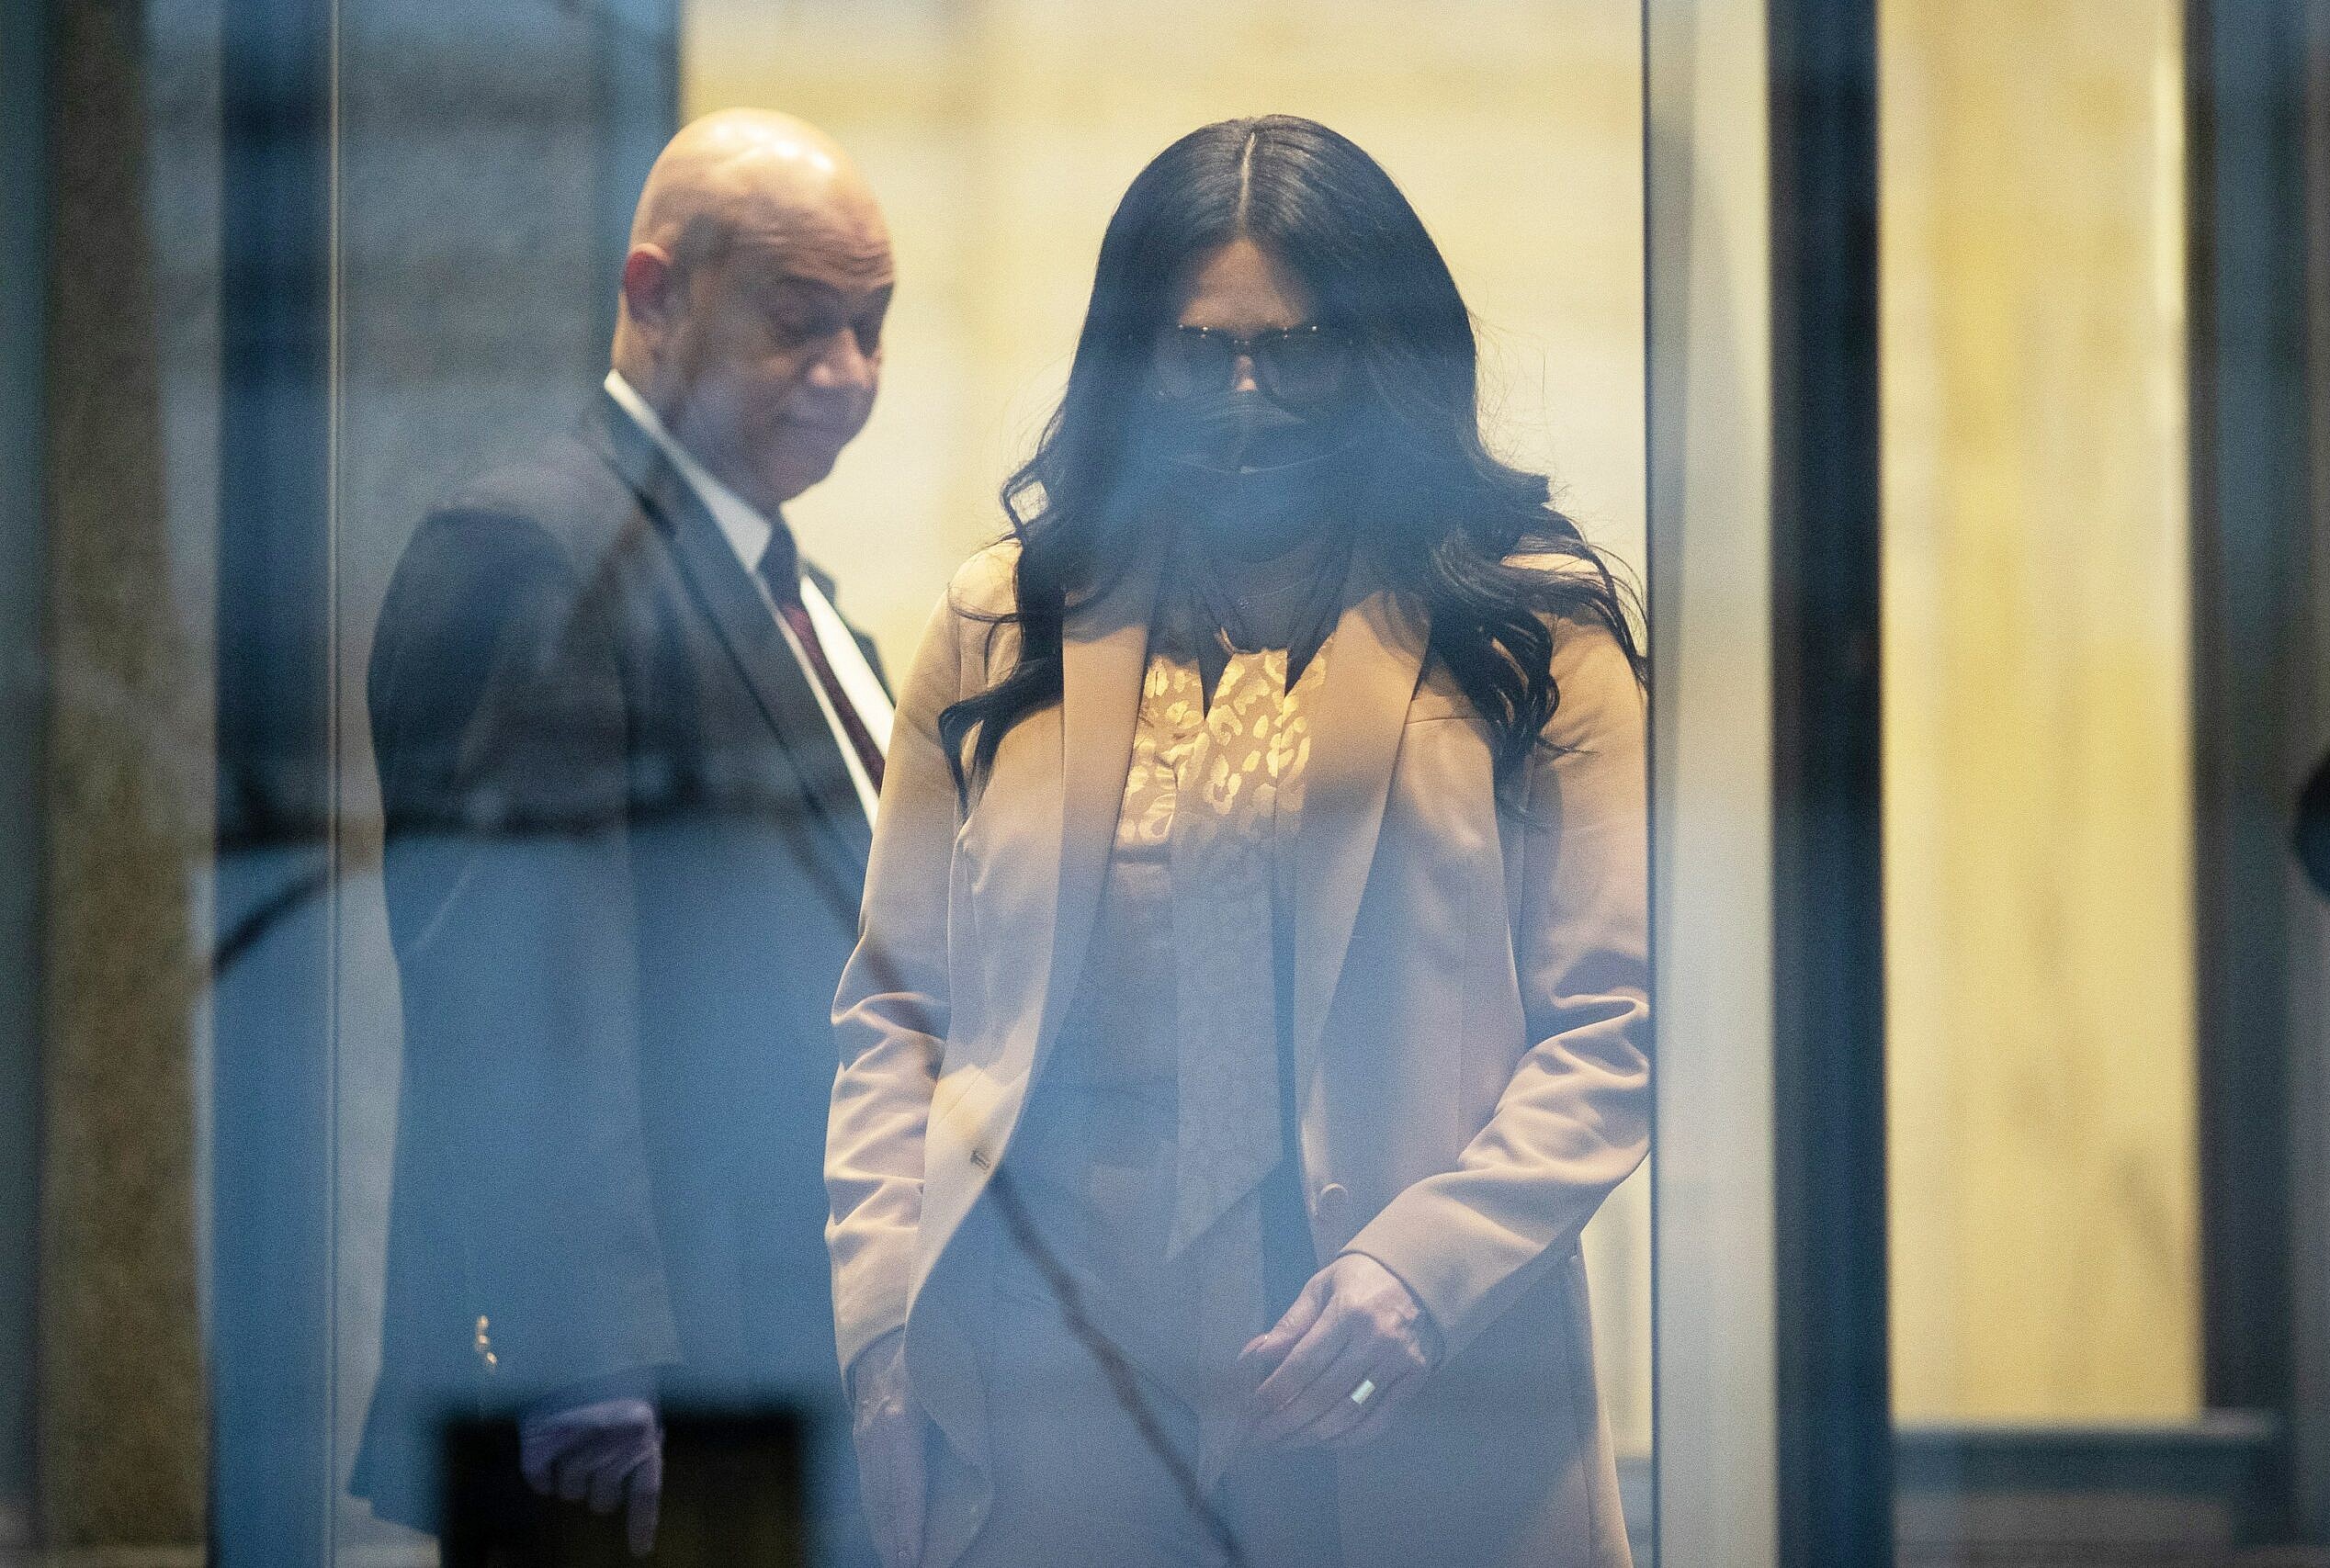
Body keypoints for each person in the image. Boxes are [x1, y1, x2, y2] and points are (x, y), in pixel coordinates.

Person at [828, 115, 1652, 1568]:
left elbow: (1619, 1024)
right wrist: (885, 1331)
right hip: (1053, 1372)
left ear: (1381, 355)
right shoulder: (998, 624)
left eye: (1303, 345)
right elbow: (899, 1016)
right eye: (1204, 353)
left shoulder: (1537, 633)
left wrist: (1421, 1274)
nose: (1251, 396)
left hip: (1407, 1368)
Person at [356, 108, 895, 1563]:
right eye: (802, 324)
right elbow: (517, 997)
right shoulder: (532, 554)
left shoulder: (803, 594)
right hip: (635, 1403)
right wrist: (577, 1356)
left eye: (872, 326)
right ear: (652, 293)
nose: (847, 376)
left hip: (794, 1342)